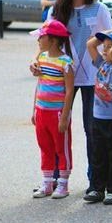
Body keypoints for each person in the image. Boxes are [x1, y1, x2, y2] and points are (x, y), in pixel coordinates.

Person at [46, 0, 112, 193]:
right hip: (60, 77)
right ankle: (54, 179)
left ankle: (95, 182)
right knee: (57, 126)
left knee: (92, 130)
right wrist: (38, 62)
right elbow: (46, 42)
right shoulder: (56, 11)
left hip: (92, 78)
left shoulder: (99, 9)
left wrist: (107, 61)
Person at [84, 28, 112, 205]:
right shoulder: (101, 64)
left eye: (110, 46)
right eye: (105, 46)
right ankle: (97, 188)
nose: (106, 50)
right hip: (98, 117)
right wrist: (109, 32)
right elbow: (90, 44)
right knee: (98, 154)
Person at [30, 20, 74, 199]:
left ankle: (63, 184)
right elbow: (39, 84)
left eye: (42, 37)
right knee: (45, 146)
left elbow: (70, 90)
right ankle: (47, 182)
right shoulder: (41, 58)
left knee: (61, 148)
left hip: (57, 113)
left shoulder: (66, 62)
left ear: (54, 40)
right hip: (42, 111)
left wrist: (64, 116)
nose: (38, 40)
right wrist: (34, 109)